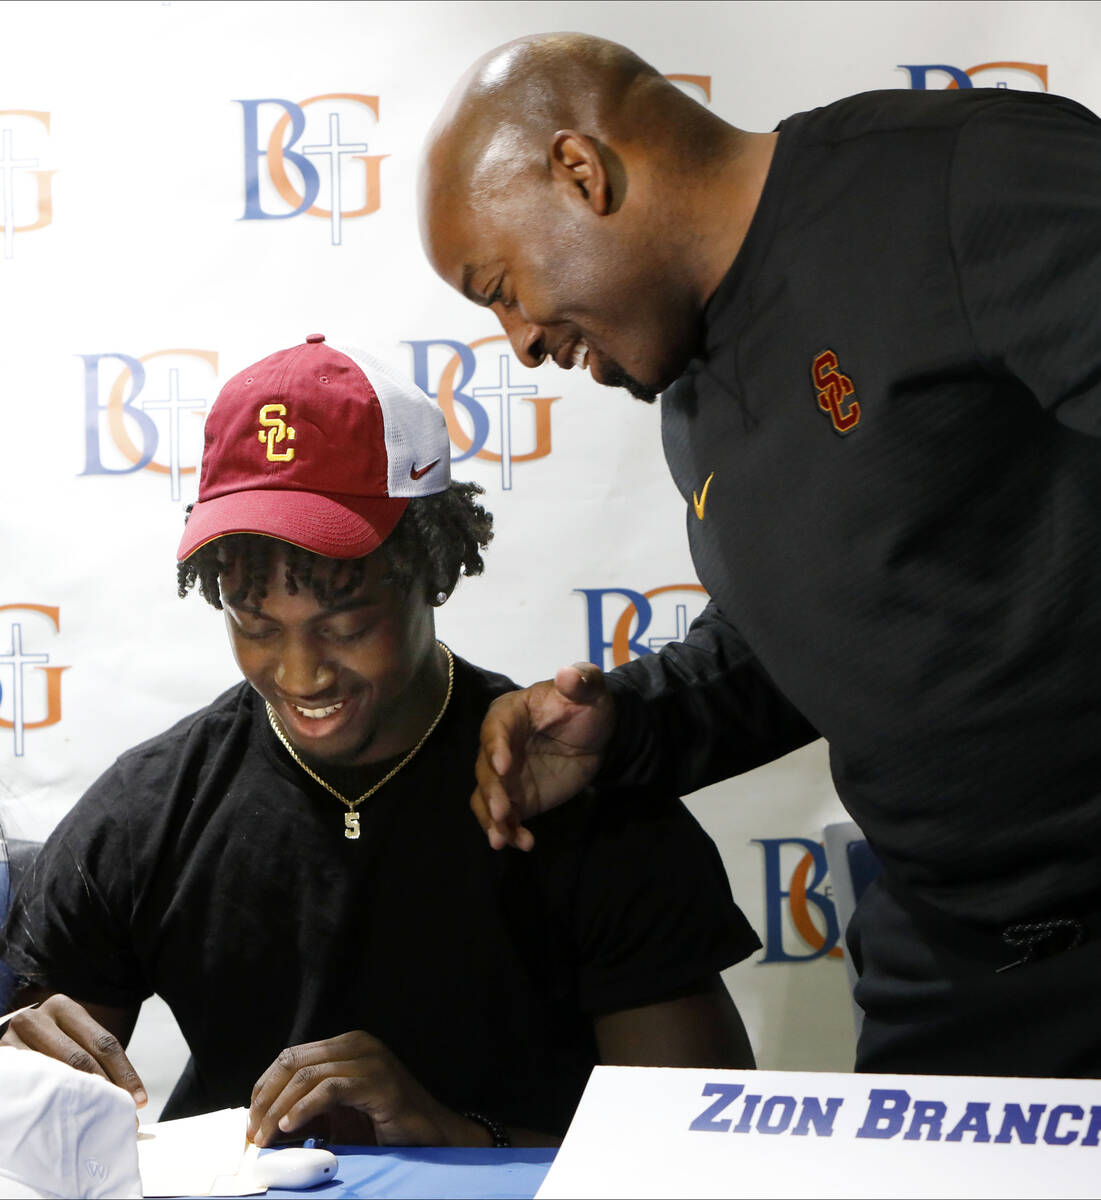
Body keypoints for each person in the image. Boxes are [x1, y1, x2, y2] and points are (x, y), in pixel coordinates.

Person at [419, 33, 1101, 1077]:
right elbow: (815, 635)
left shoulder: (965, 181)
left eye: (500, 284)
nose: (519, 343)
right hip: (954, 974)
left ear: (581, 171)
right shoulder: (687, 395)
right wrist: (628, 726)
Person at [0, 334, 758, 1148]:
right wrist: (19, 1092)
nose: (300, 672)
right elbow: (39, 1109)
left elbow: (695, 1156)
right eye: (254, 623)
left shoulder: (574, 794)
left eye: (345, 622)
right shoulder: (149, 812)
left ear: (433, 566)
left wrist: (449, 1136)